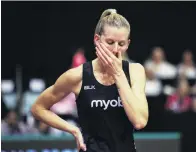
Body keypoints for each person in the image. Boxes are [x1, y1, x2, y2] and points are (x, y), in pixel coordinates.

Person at [31, 9, 149, 152]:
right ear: (97, 40)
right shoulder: (77, 76)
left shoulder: (135, 71)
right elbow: (38, 108)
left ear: (128, 44)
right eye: (110, 42)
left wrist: (118, 74)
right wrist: (73, 130)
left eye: (121, 44)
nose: (115, 49)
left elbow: (140, 121)